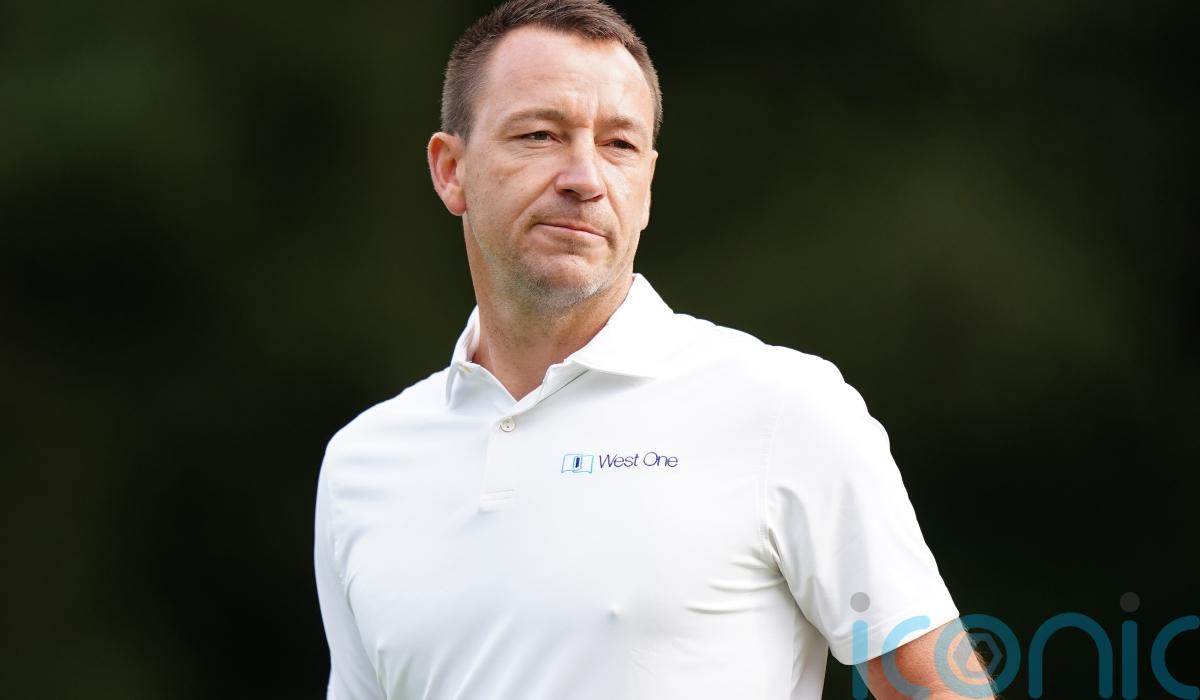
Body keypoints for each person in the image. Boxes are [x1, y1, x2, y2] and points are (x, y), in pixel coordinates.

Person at [314, 1, 996, 698]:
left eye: (619, 145)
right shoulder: (363, 466)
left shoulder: (782, 410)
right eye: (541, 135)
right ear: (450, 169)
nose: (584, 177)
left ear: (646, 186)